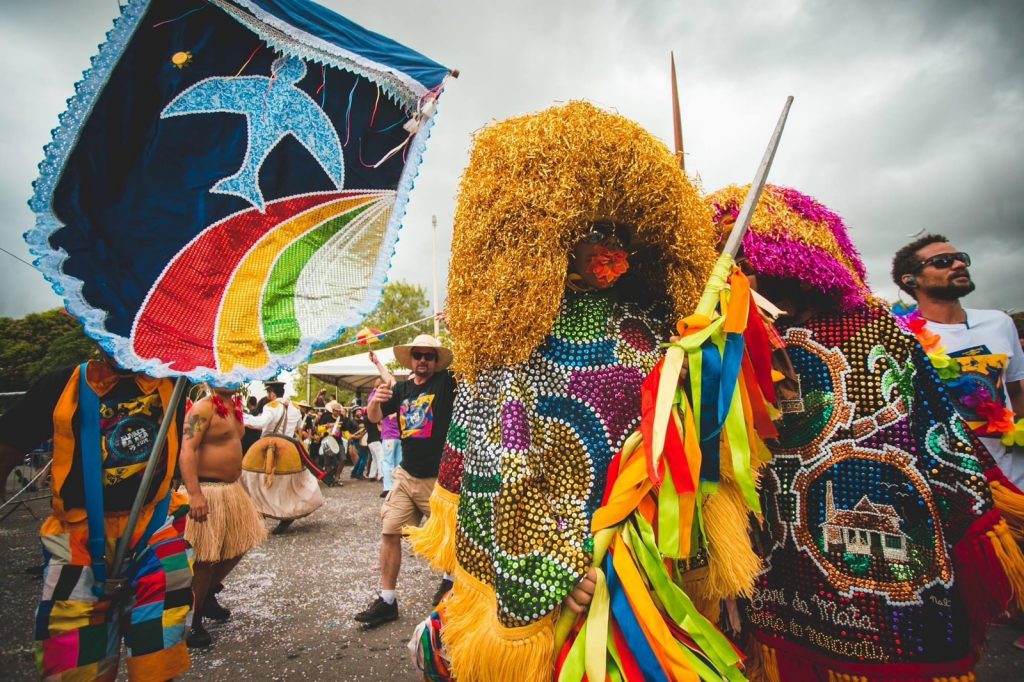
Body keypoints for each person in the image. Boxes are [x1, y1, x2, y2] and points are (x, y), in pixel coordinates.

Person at [406, 101, 720, 681]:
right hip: (568, 576)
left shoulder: (660, 324)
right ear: (556, 237)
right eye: (600, 235)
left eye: (625, 237)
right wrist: (551, 565)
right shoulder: (517, 332)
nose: (615, 252)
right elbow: (498, 461)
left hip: (649, 563)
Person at [706, 184, 1024, 680]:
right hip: (773, 555)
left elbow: (929, 427)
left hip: (878, 548)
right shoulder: (722, 341)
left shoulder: (873, 326)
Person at [0, 355, 193, 680]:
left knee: (159, 662)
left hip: (155, 537)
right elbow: (8, 447)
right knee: (79, 669)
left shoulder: (175, 383)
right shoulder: (63, 384)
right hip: (79, 545)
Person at [891, 234, 1024, 487]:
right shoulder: (902, 336)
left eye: (960, 259)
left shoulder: (999, 322)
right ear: (910, 279)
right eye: (942, 261)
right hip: (956, 482)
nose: (959, 265)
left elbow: (1017, 389)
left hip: (1015, 473)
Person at [355, 334, 457, 627]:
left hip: (437, 478)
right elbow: (374, 417)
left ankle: (450, 582)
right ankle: (387, 600)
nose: (423, 360)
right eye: (418, 355)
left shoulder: (446, 382)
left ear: (436, 361)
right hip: (406, 474)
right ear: (411, 359)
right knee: (390, 531)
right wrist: (377, 401)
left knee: (449, 538)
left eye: (428, 356)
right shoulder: (400, 389)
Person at [177, 384, 267, 648]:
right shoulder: (203, 407)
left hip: (230, 490)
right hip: (206, 490)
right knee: (205, 559)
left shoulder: (234, 407)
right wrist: (194, 493)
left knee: (239, 545)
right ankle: (192, 623)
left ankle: (206, 596)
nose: (230, 379)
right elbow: (187, 449)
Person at [240, 381, 324, 534]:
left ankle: (258, 510)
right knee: (287, 483)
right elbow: (298, 427)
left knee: (252, 477)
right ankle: (286, 515)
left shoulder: (270, 406)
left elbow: (260, 423)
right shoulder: (295, 409)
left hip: (267, 445)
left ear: (271, 393)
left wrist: (240, 416)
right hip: (289, 446)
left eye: (268, 393)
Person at [369, 352, 401, 498]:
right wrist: (377, 363)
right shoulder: (393, 396)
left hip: (389, 435)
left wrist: (377, 363)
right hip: (398, 436)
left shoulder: (382, 396)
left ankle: (389, 487)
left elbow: (391, 379)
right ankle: (398, 487)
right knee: (398, 462)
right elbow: (391, 379)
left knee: (388, 462)